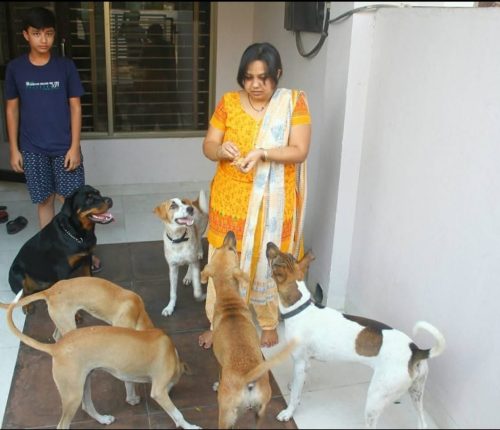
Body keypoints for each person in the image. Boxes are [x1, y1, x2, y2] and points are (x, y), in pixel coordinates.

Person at [199, 42, 312, 348]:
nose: (256, 85)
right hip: (230, 199)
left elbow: (299, 151)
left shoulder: (293, 104)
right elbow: (208, 145)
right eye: (248, 77)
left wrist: (263, 153)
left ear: (278, 74)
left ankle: (268, 321)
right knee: (223, 264)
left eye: (263, 77)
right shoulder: (227, 103)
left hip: (272, 204)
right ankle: (217, 321)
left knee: (267, 262)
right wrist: (220, 149)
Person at [4, 6, 101, 271]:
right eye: (36, 34)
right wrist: (14, 149)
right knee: (44, 200)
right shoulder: (16, 69)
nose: (43, 39)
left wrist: (74, 147)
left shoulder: (65, 67)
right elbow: (11, 109)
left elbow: (76, 107)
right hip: (32, 148)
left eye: (48, 33)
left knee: (73, 202)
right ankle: (51, 253)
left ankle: (84, 254)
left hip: (64, 147)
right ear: (26, 35)